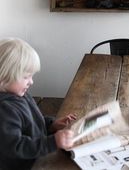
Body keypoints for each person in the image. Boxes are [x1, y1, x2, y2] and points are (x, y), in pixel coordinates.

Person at [0, 38, 76, 170]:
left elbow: (30, 123)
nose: (31, 82)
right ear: (3, 76)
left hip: (37, 156)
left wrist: (50, 125)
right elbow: (15, 146)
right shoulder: (5, 109)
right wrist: (53, 142)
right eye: (26, 77)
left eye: (31, 76)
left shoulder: (20, 94)